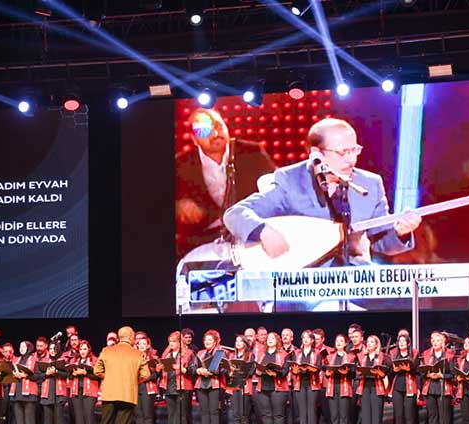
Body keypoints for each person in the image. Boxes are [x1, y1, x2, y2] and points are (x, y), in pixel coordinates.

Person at [222, 118, 421, 303]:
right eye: (343, 152)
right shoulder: (291, 180)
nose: (351, 160)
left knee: (406, 303)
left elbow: (383, 243)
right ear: (316, 153)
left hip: (354, 285)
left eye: (355, 150)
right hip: (301, 287)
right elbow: (235, 214)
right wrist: (263, 231)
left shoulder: (370, 184)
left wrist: (401, 232)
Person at [175, 108, 277, 256]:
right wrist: (178, 206)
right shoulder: (181, 165)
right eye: (205, 130)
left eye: (218, 126)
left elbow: (275, 191)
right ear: (194, 139)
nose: (215, 134)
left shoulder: (252, 153)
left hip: (249, 235)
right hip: (201, 242)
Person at [93, 326, 152, 424]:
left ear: (119, 338)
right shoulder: (137, 354)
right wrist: (132, 381)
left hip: (109, 393)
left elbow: (97, 370)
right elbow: (146, 374)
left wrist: (110, 379)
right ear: (131, 337)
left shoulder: (107, 351)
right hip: (127, 394)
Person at [420, 332, 455, 424]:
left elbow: (453, 375)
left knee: (443, 416)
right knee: (432, 415)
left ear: (443, 343)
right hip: (430, 388)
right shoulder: (426, 355)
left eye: (438, 340)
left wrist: (442, 376)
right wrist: (427, 374)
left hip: (443, 388)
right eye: (433, 341)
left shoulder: (449, 356)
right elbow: (422, 373)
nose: (435, 343)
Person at [291, 330, 323, 424]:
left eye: (308, 338)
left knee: (311, 411)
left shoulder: (317, 353)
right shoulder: (297, 353)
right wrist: (295, 370)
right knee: (302, 412)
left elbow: (318, 368)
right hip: (300, 383)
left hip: (312, 383)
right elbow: (293, 368)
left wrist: (310, 369)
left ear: (312, 340)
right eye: (303, 337)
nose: (305, 339)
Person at [193, 330, 226, 424]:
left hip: (214, 385)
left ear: (215, 341)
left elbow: (222, 370)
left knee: (214, 412)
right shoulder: (200, 353)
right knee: (204, 413)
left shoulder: (219, 352)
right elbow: (193, 368)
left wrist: (210, 372)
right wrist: (198, 370)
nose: (207, 342)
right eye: (205, 340)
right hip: (201, 385)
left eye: (210, 340)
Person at [356, 335, 390, 424]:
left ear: (376, 345)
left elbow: (387, 373)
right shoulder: (362, 357)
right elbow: (357, 372)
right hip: (365, 386)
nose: (369, 344)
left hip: (377, 386)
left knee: (376, 415)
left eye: (372, 342)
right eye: (368, 342)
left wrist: (380, 373)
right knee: (365, 415)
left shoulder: (382, 357)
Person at [323, 334, 355, 424]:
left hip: (344, 387)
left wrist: (347, 373)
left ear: (346, 343)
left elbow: (353, 374)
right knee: (334, 415)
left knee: (344, 415)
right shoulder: (330, 357)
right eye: (337, 341)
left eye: (341, 341)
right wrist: (327, 373)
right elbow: (326, 372)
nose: (339, 343)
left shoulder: (350, 357)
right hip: (332, 387)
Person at [68, 341, 101, 424]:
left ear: (89, 350)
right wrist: (73, 373)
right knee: (79, 414)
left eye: (85, 349)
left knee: (89, 414)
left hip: (90, 390)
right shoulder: (75, 360)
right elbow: (69, 374)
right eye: (81, 349)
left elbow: (98, 375)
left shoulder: (94, 360)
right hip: (76, 390)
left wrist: (86, 373)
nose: (83, 351)